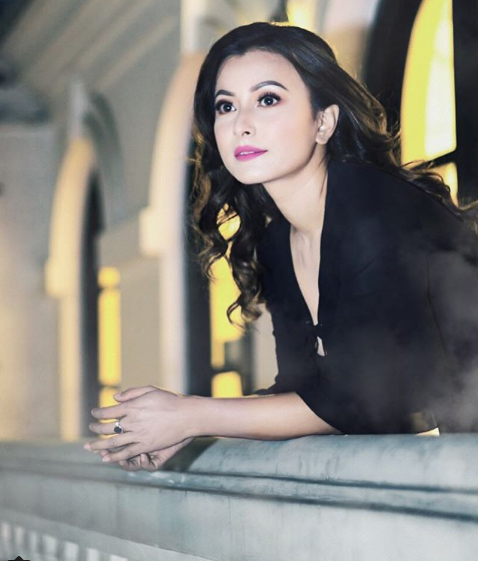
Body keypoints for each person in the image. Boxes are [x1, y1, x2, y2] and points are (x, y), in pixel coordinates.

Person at [84, 22, 478, 471]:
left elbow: (366, 401)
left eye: (267, 99)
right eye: (226, 106)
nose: (242, 125)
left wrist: (191, 414)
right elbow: (306, 392)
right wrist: (184, 428)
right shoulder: (277, 243)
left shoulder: (367, 200)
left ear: (323, 122)